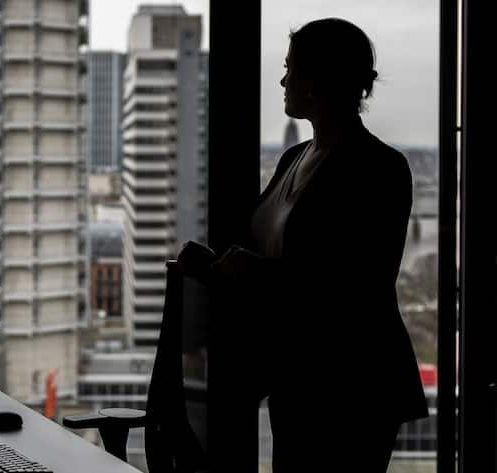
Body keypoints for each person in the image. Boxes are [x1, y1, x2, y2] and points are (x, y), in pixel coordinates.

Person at [178, 18, 428, 472]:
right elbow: (270, 252)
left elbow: (358, 285)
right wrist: (217, 265)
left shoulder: (381, 169)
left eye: (290, 68)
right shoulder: (294, 157)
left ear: (317, 81)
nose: (282, 79)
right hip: (297, 379)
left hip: (352, 385)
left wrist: (253, 272)